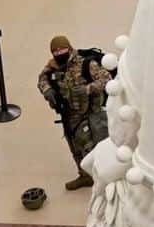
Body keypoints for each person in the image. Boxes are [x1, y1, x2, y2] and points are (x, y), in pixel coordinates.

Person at [37, 36, 110, 189]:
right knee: (74, 146)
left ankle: (103, 177)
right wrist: (47, 89)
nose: (59, 53)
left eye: (62, 50)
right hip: (68, 114)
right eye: (55, 51)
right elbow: (42, 79)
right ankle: (85, 176)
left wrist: (87, 89)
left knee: (91, 146)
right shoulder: (53, 66)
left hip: (89, 113)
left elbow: (106, 79)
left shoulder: (86, 63)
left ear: (69, 48)